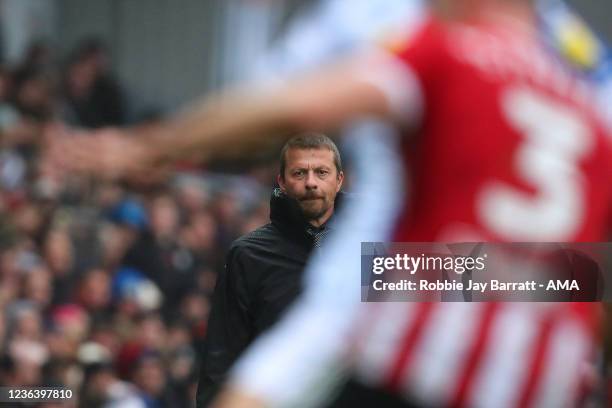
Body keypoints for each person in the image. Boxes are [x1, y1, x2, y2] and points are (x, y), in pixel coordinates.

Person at [45, 0, 612, 407]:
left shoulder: (443, 46)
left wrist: (150, 146)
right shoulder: (586, 84)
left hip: (397, 287)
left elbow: (277, 107)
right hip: (536, 344)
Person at [197, 133, 344, 407]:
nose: (311, 182)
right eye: (299, 173)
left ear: (339, 180)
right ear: (282, 182)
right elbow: (222, 356)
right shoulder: (249, 255)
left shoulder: (375, 246)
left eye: (321, 172)